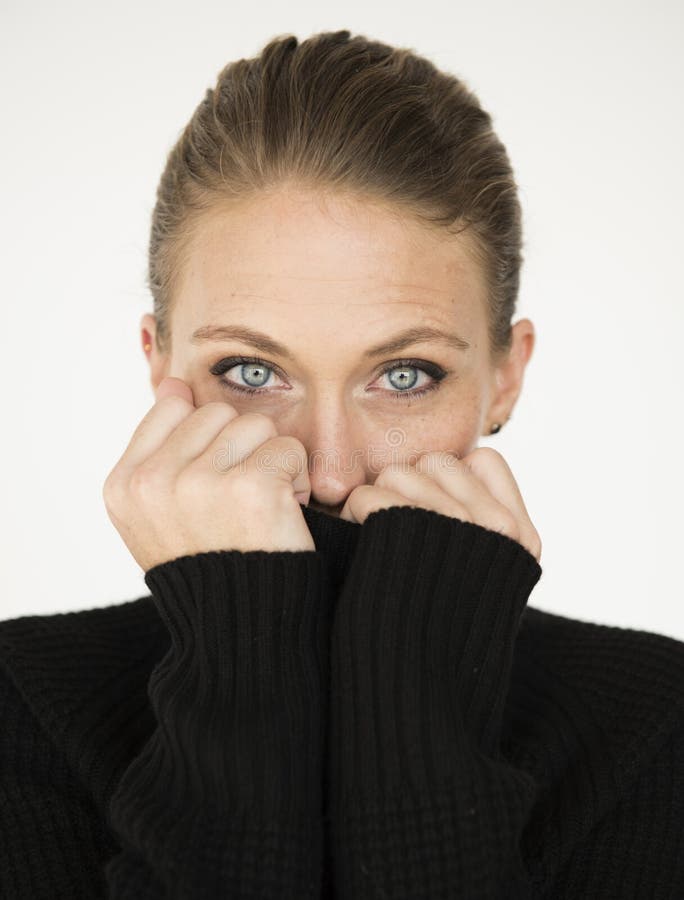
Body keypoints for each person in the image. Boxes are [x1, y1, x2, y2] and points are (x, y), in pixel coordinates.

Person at [1, 28, 682, 899]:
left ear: (506, 378)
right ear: (158, 364)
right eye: (252, 373)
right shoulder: (19, 703)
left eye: (404, 376)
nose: (324, 470)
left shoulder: (658, 721)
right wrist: (241, 644)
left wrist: (417, 699)